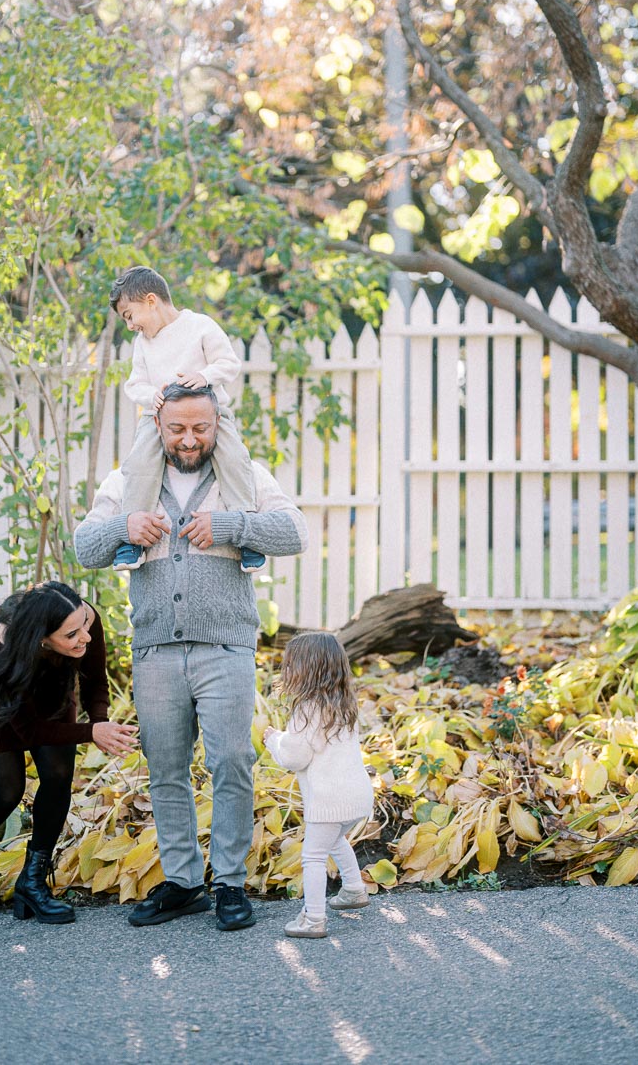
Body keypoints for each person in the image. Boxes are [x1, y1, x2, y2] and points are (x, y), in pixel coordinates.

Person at [74, 382, 308, 932]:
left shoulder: (242, 477)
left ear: (217, 424)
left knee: (231, 762)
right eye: (177, 428)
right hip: (156, 650)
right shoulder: (128, 482)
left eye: (200, 427)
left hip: (225, 647)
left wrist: (230, 524)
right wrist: (122, 527)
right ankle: (183, 883)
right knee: (166, 769)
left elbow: (295, 530)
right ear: (159, 426)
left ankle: (228, 882)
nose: (188, 439)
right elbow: (85, 546)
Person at [0, 580, 137, 925]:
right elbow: (32, 732)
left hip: (50, 682)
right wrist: (91, 732)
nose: (85, 637)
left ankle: (32, 882)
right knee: (6, 790)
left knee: (59, 774)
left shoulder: (84, 620)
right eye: (72, 634)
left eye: (84, 626)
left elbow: (95, 680)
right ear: (41, 636)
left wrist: (101, 724)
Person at [109, 265, 265, 576]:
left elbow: (229, 364)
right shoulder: (143, 344)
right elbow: (134, 384)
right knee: (139, 463)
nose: (129, 325)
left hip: (210, 412)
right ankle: (132, 539)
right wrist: (150, 394)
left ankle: (247, 534)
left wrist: (204, 376)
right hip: (160, 417)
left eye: (129, 315)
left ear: (151, 301)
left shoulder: (200, 327)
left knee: (234, 459)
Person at [263, 631, 374, 939]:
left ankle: (313, 919)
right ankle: (353, 889)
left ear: (306, 670)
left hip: (328, 800)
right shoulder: (344, 706)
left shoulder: (306, 709)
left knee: (313, 856)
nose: (285, 671)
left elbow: (295, 757)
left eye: (289, 665)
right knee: (335, 840)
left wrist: (273, 740)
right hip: (356, 798)